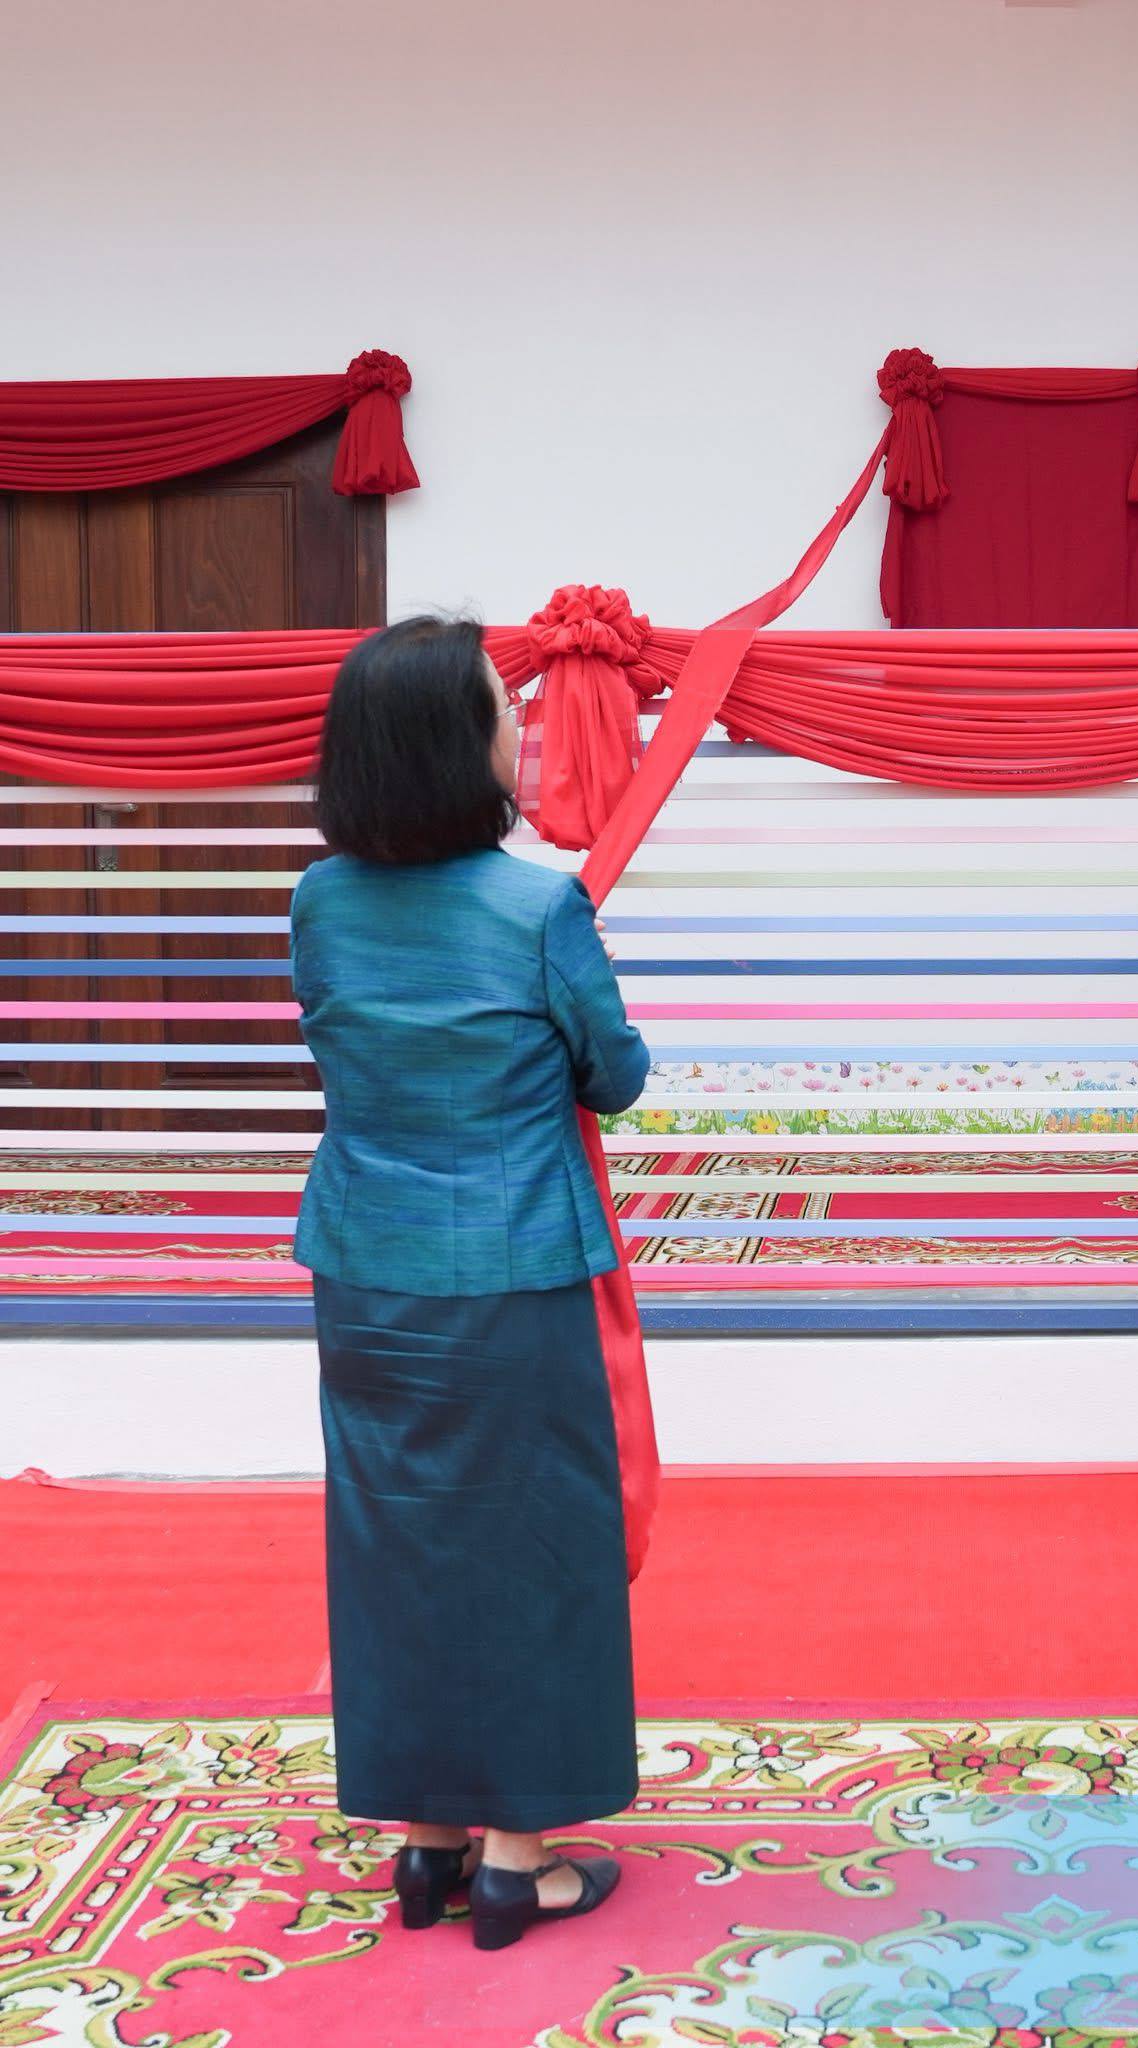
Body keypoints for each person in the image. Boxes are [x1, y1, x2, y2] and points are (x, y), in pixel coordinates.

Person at [291, 616, 651, 1949]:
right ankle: (514, 1860)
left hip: (365, 1275)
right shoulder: (539, 905)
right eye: (505, 707)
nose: (521, 725)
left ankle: (426, 1840)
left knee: (400, 1544)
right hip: (512, 1272)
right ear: (463, 746)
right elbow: (615, 1073)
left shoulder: (317, 901)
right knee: (535, 1549)